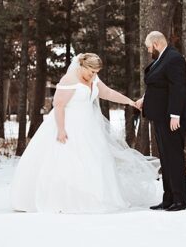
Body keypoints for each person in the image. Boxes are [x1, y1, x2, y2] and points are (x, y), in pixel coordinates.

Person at [11, 53, 158, 213]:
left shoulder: (94, 79)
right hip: (68, 126)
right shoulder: (69, 80)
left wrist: (130, 102)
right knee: (68, 160)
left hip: (89, 127)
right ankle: (66, 200)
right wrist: (61, 130)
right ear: (82, 66)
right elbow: (58, 105)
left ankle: (98, 198)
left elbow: (108, 93)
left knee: (95, 160)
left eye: (96, 72)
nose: (93, 75)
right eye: (91, 71)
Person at [136, 31, 186, 211]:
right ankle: (168, 198)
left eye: (149, 47)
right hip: (160, 116)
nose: (148, 51)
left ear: (155, 43)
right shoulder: (162, 59)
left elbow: (178, 88)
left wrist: (175, 115)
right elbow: (158, 85)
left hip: (171, 118)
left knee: (174, 158)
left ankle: (180, 200)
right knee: (165, 158)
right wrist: (145, 99)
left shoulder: (174, 59)